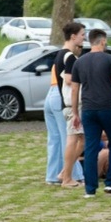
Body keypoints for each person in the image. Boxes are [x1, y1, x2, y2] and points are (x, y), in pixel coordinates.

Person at [71, 28, 111, 198]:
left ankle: (90, 188)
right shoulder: (109, 59)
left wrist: (75, 113)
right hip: (108, 108)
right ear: (103, 41)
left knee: (91, 147)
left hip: (88, 110)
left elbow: (75, 89)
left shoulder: (79, 62)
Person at [46, 22, 85, 188]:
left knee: (56, 139)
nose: (84, 38)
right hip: (64, 99)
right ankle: (69, 174)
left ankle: (55, 174)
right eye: (82, 34)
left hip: (53, 96)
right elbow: (69, 79)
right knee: (70, 139)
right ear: (73, 36)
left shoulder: (60, 54)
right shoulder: (69, 56)